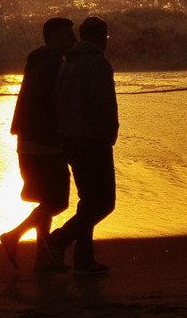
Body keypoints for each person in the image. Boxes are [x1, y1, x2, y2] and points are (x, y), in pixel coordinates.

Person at [0, 17, 75, 271]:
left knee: (46, 200)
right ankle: (14, 235)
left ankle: (42, 259)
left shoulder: (36, 61)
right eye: (68, 34)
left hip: (28, 140)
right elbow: (57, 105)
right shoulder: (53, 65)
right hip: (46, 142)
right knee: (57, 202)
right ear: (53, 37)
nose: (73, 39)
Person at [47, 16, 118, 276]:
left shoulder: (68, 62)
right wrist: (108, 135)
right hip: (92, 140)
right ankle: (58, 240)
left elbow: (57, 100)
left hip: (70, 139)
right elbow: (103, 105)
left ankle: (84, 260)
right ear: (102, 36)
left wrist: (63, 132)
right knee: (103, 203)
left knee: (88, 202)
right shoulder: (98, 63)